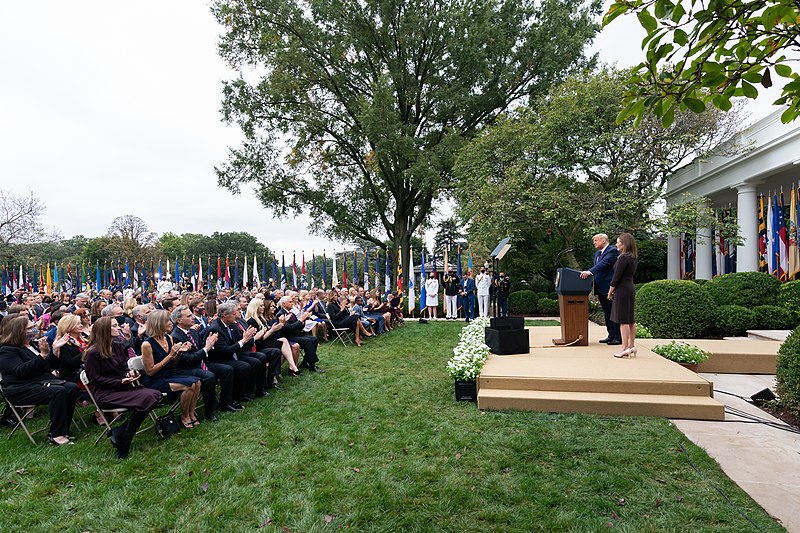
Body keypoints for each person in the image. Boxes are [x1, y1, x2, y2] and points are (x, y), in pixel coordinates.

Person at [83, 317, 162, 459]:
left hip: (123, 387)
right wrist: (120, 381)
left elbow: (124, 367)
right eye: (114, 326)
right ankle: (125, 439)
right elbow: (95, 379)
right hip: (106, 393)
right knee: (147, 398)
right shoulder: (92, 353)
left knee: (155, 395)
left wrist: (130, 374)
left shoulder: (117, 346)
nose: (118, 328)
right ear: (104, 330)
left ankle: (120, 432)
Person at [0, 315, 79, 446]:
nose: (35, 329)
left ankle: (62, 428)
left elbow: (47, 367)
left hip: (39, 382)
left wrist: (54, 351)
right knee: (57, 391)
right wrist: (42, 355)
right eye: (30, 328)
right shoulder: (7, 350)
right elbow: (20, 371)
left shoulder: (33, 345)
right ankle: (56, 435)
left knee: (71, 387)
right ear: (20, 331)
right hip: (20, 388)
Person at [140, 310, 202, 429]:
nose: (170, 323)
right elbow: (150, 371)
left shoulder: (168, 338)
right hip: (155, 380)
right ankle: (184, 416)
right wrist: (170, 355)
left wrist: (178, 353)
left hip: (170, 374)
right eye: (167, 321)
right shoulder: (147, 344)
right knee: (189, 386)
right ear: (159, 323)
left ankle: (191, 413)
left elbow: (173, 363)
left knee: (197, 382)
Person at [580, 233, 622, 346]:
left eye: (596, 240)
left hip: (609, 287)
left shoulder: (612, 251)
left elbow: (604, 264)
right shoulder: (597, 253)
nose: (594, 243)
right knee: (607, 312)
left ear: (603, 240)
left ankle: (618, 337)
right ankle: (611, 335)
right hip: (600, 287)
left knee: (613, 312)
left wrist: (590, 272)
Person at [608, 233, 638, 358]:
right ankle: (632, 346)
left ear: (624, 244)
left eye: (618, 242)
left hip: (622, 290)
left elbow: (616, 277)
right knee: (630, 319)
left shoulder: (623, 258)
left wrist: (610, 291)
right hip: (630, 288)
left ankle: (624, 348)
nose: (616, 244)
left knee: (623, 320)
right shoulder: (633, 257)